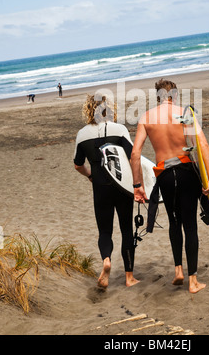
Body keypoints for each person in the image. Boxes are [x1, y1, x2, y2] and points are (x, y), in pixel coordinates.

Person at [130, 79, 209, 294]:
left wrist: (137, 185)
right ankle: (193, 281)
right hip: (187, 173)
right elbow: (202, 144)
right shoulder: (184, 113)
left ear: (157, 96)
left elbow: (135, 154)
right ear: (174, 95)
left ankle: (178, 271)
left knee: (174, 222)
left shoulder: (146, 117)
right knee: (190, 225)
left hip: (165, 176)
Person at [74, 94, 139, 289]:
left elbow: (78, 165)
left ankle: (106, 261)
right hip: (122, 185)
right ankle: (129, 277)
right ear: (108, 109)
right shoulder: (119, 129)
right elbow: (132, 156)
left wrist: (90, 175)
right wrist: (137, 183)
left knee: (104, 230)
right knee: (127, 229)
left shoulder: (82, 134)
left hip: (100, 187)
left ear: (88, 110)